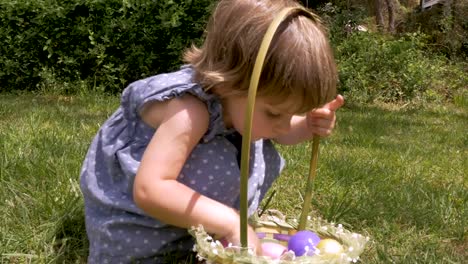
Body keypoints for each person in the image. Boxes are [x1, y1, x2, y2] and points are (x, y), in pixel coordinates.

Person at [80, 0, 344, 262]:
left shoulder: (241, 104)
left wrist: (307, 125)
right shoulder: (188, 110)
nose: (285, 125)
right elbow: (150, 189)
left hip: (191, 212)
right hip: (141, 218)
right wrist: (230, 222)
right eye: (275, 113)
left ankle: (201, 232)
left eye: (292, 114)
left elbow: (280, 132)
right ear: (231, 80)